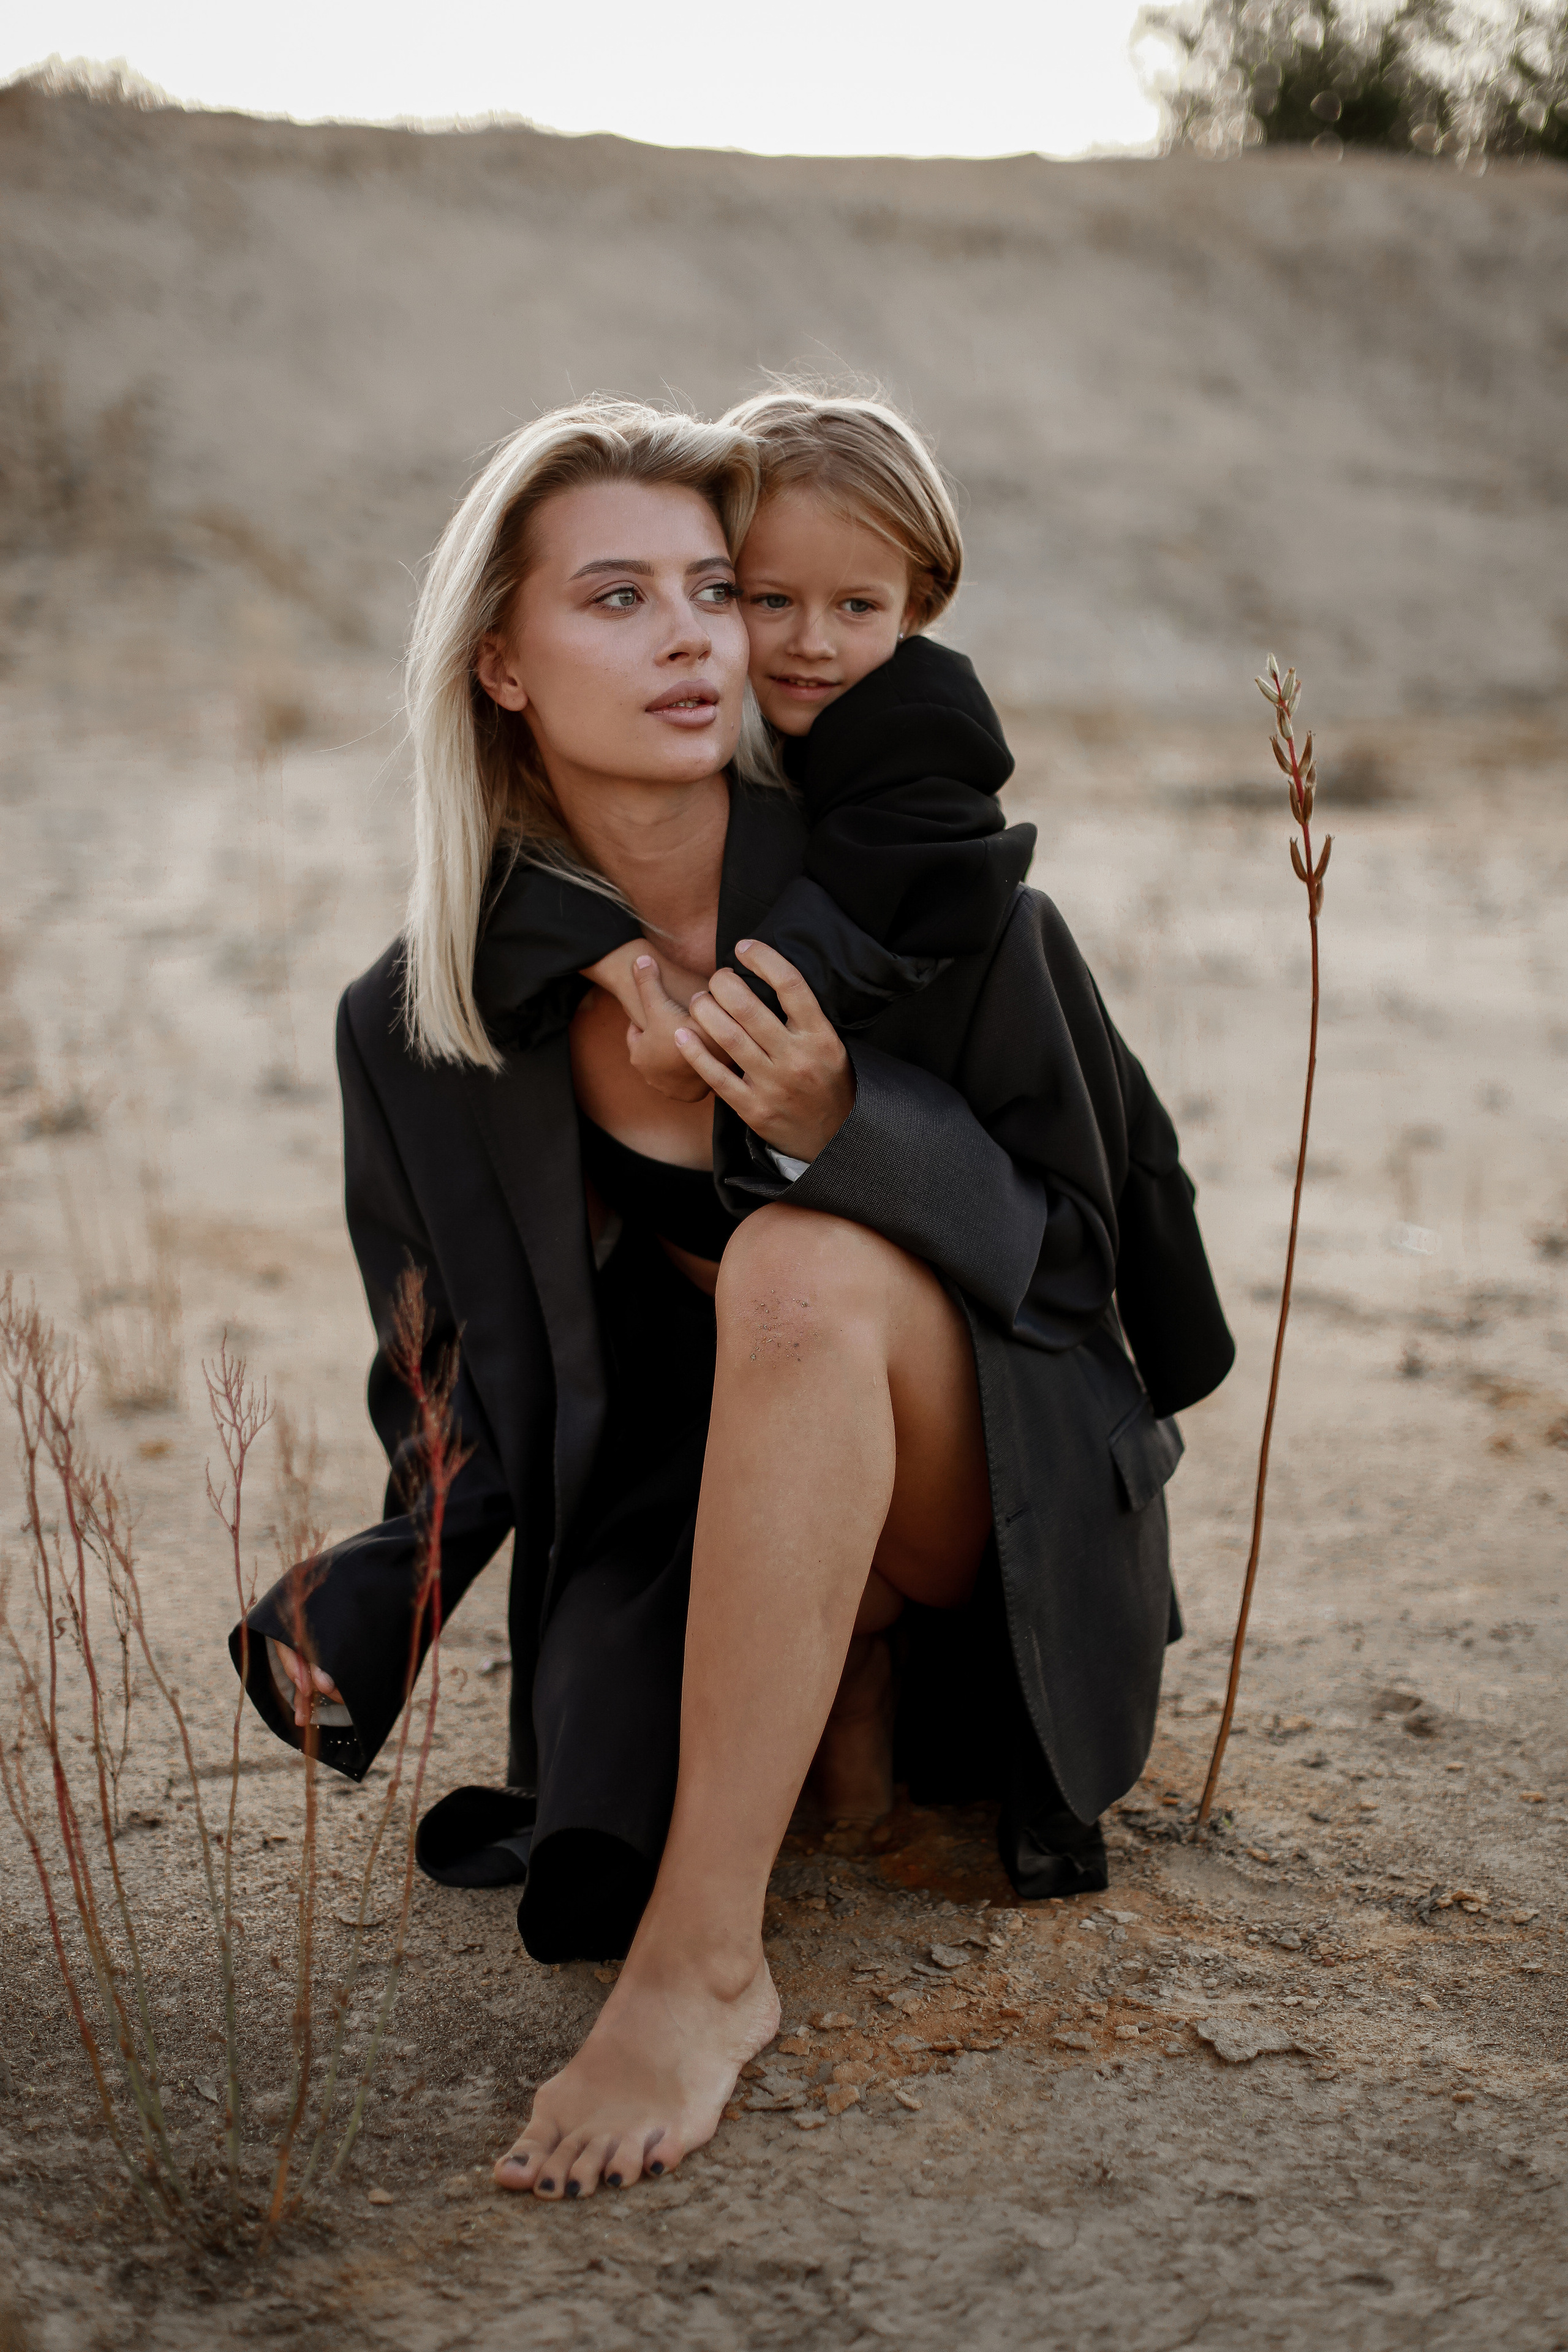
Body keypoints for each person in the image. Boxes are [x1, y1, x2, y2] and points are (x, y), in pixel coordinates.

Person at [232, 397, 1233, 2201]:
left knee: (795, 1260)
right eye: (616, 598)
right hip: (704, 1530)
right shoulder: (421, 1022)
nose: (694, 637)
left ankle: (702, 1971)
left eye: (715, 587)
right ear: (501, 666)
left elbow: (1090, 1279)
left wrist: (850, 1129)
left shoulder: (930, 896)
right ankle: (828, 1702)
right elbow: (448, 1376)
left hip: (999, 1492)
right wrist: (378, 1591)